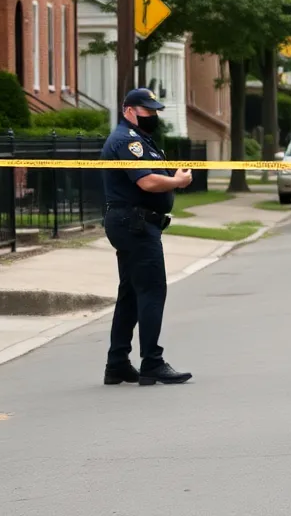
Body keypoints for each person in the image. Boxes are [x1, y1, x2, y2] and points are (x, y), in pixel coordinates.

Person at [101, 88, 193, 387]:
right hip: (135, 224)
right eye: (147, 110)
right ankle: (152, 362)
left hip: (132, 223)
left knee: (130, 293)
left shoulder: (139, 139)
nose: (152, 115)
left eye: (154, 111)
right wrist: (177, 181)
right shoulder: (127, 141)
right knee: (152, 290)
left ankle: (117, 364)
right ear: (129, 110)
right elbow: (147, 181)